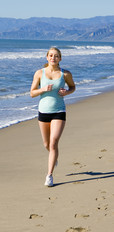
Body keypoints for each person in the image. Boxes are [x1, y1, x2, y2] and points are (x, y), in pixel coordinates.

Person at [30, 47, 76, 187]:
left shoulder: (65, 74)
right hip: (43, 112)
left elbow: (73, 87)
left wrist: (66, 92)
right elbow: (32, 93)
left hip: (59, 111)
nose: (53, 58)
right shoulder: (39, 73)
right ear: (47, 57)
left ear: (60, 58)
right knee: (46, 144)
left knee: (53, 142)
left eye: (56, 56)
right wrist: (43, 89)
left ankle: (49, 176)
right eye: (51, 55)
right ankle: (53, 156)